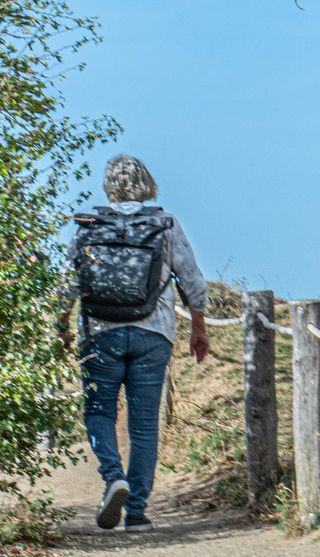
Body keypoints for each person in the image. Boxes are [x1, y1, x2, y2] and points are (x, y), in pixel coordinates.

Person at [60, 155, 210, 533]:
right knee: (144, 426)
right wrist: (199, 327)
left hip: (100, 333)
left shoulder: (88, 226)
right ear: (147, 183)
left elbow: (69, 283)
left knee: (98, 411)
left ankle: (114, 479)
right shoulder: (165, 224)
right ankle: (138, 511)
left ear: (109, 185)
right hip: (153, 333)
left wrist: (62, 325)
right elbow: (191, 278)